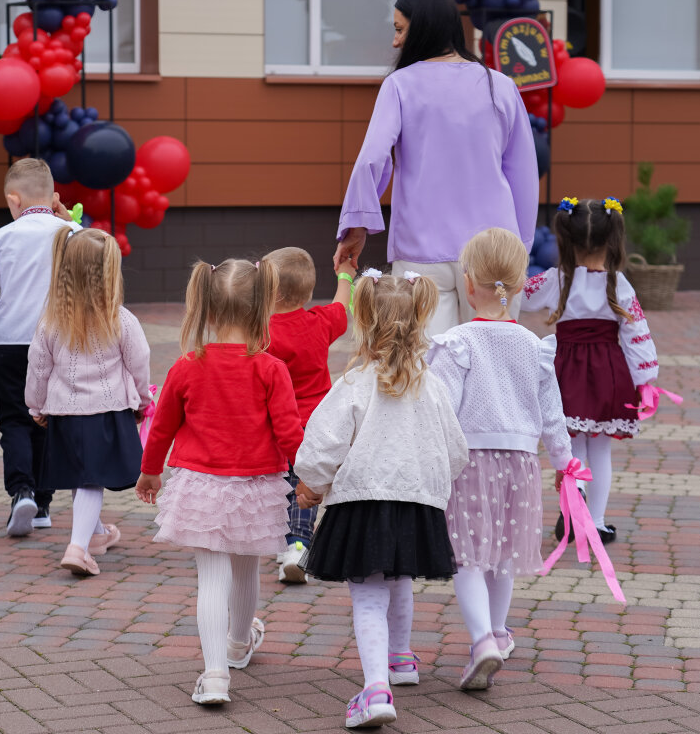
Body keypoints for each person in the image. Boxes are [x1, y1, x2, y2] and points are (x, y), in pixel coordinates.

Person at [292, 270, 468, 727]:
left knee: (368, 595)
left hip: (362, 503)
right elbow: (455, 450)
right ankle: (401, 658)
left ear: (364, 321)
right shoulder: (432, 386)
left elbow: (324, 443)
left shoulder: (354, 384)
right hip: (416, 502)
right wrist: (433, 485)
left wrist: (311, 483)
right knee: (399, 576)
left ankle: (375, 690)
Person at [135, 258, 302, 706]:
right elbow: (290, 434)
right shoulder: (271, 369)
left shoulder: (187, 365)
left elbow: (162, 427)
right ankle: (237, 644)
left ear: (207, 308)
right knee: (246, 569)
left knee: (211, 579)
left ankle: (214, 676)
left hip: (201, 485)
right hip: (255, 486)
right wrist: (311, 476)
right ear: (262, 308)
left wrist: (150, 470)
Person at [332, 0, 538, 335]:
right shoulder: (502, 86)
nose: (395, 42)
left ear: (423, 27)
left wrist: (356, 226)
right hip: (495, 250)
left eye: (400, 29)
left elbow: (371, 160)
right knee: (493, 356)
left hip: (421, 250)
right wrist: (521, 248)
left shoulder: (399, 85)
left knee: (426, 362)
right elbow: (523, 175)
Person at [425, 228, 575, 691]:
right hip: (520, 463)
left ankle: (482, 640)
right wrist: (565, 464)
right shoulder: (534, 345)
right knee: (504, 552)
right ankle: (498, 630)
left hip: (470, 462)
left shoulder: (457, 342)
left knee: (467, 554)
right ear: (520, 282)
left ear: (468, 283)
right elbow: (552, 413)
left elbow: (439, 408)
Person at [522, 197, 659, 544]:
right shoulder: (619, 284)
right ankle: (595, 522)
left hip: (566, 372)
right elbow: (637, 334)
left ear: (565, 239)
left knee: (571, 443)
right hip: (607, 373)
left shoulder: (556, 280)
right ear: (612, 239)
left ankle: (576, 495)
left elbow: (521, 296)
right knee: (600, 450)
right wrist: (645, 382)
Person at [25, 227, 153, 577]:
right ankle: (77, 548)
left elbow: (37, 367)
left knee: (81, 474)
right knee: (90, 481)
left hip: (64, 413)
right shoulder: (121, 319)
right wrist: (143, 401)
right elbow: (139, 363)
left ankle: (95, 534)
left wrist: (36, 405)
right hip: (105, 413)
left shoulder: (51, 321)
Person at [0, 158, 78, 537]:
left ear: (13, 199)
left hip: (11, 342)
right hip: (61, 341)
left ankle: (21, 491)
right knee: (49, 418)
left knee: (14, 419)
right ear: (54, 197)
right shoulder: (73, 233)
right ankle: (44, 504)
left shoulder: (1, 236)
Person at [260, 246, 353, 584]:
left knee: (279, 483)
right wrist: (345, 275)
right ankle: (298, 545)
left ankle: (284, 542)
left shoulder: (261, 331)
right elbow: (342, 306)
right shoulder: (320, 322)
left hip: (273, 425)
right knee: (304, 485)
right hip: (315, 425)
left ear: (270, 292)